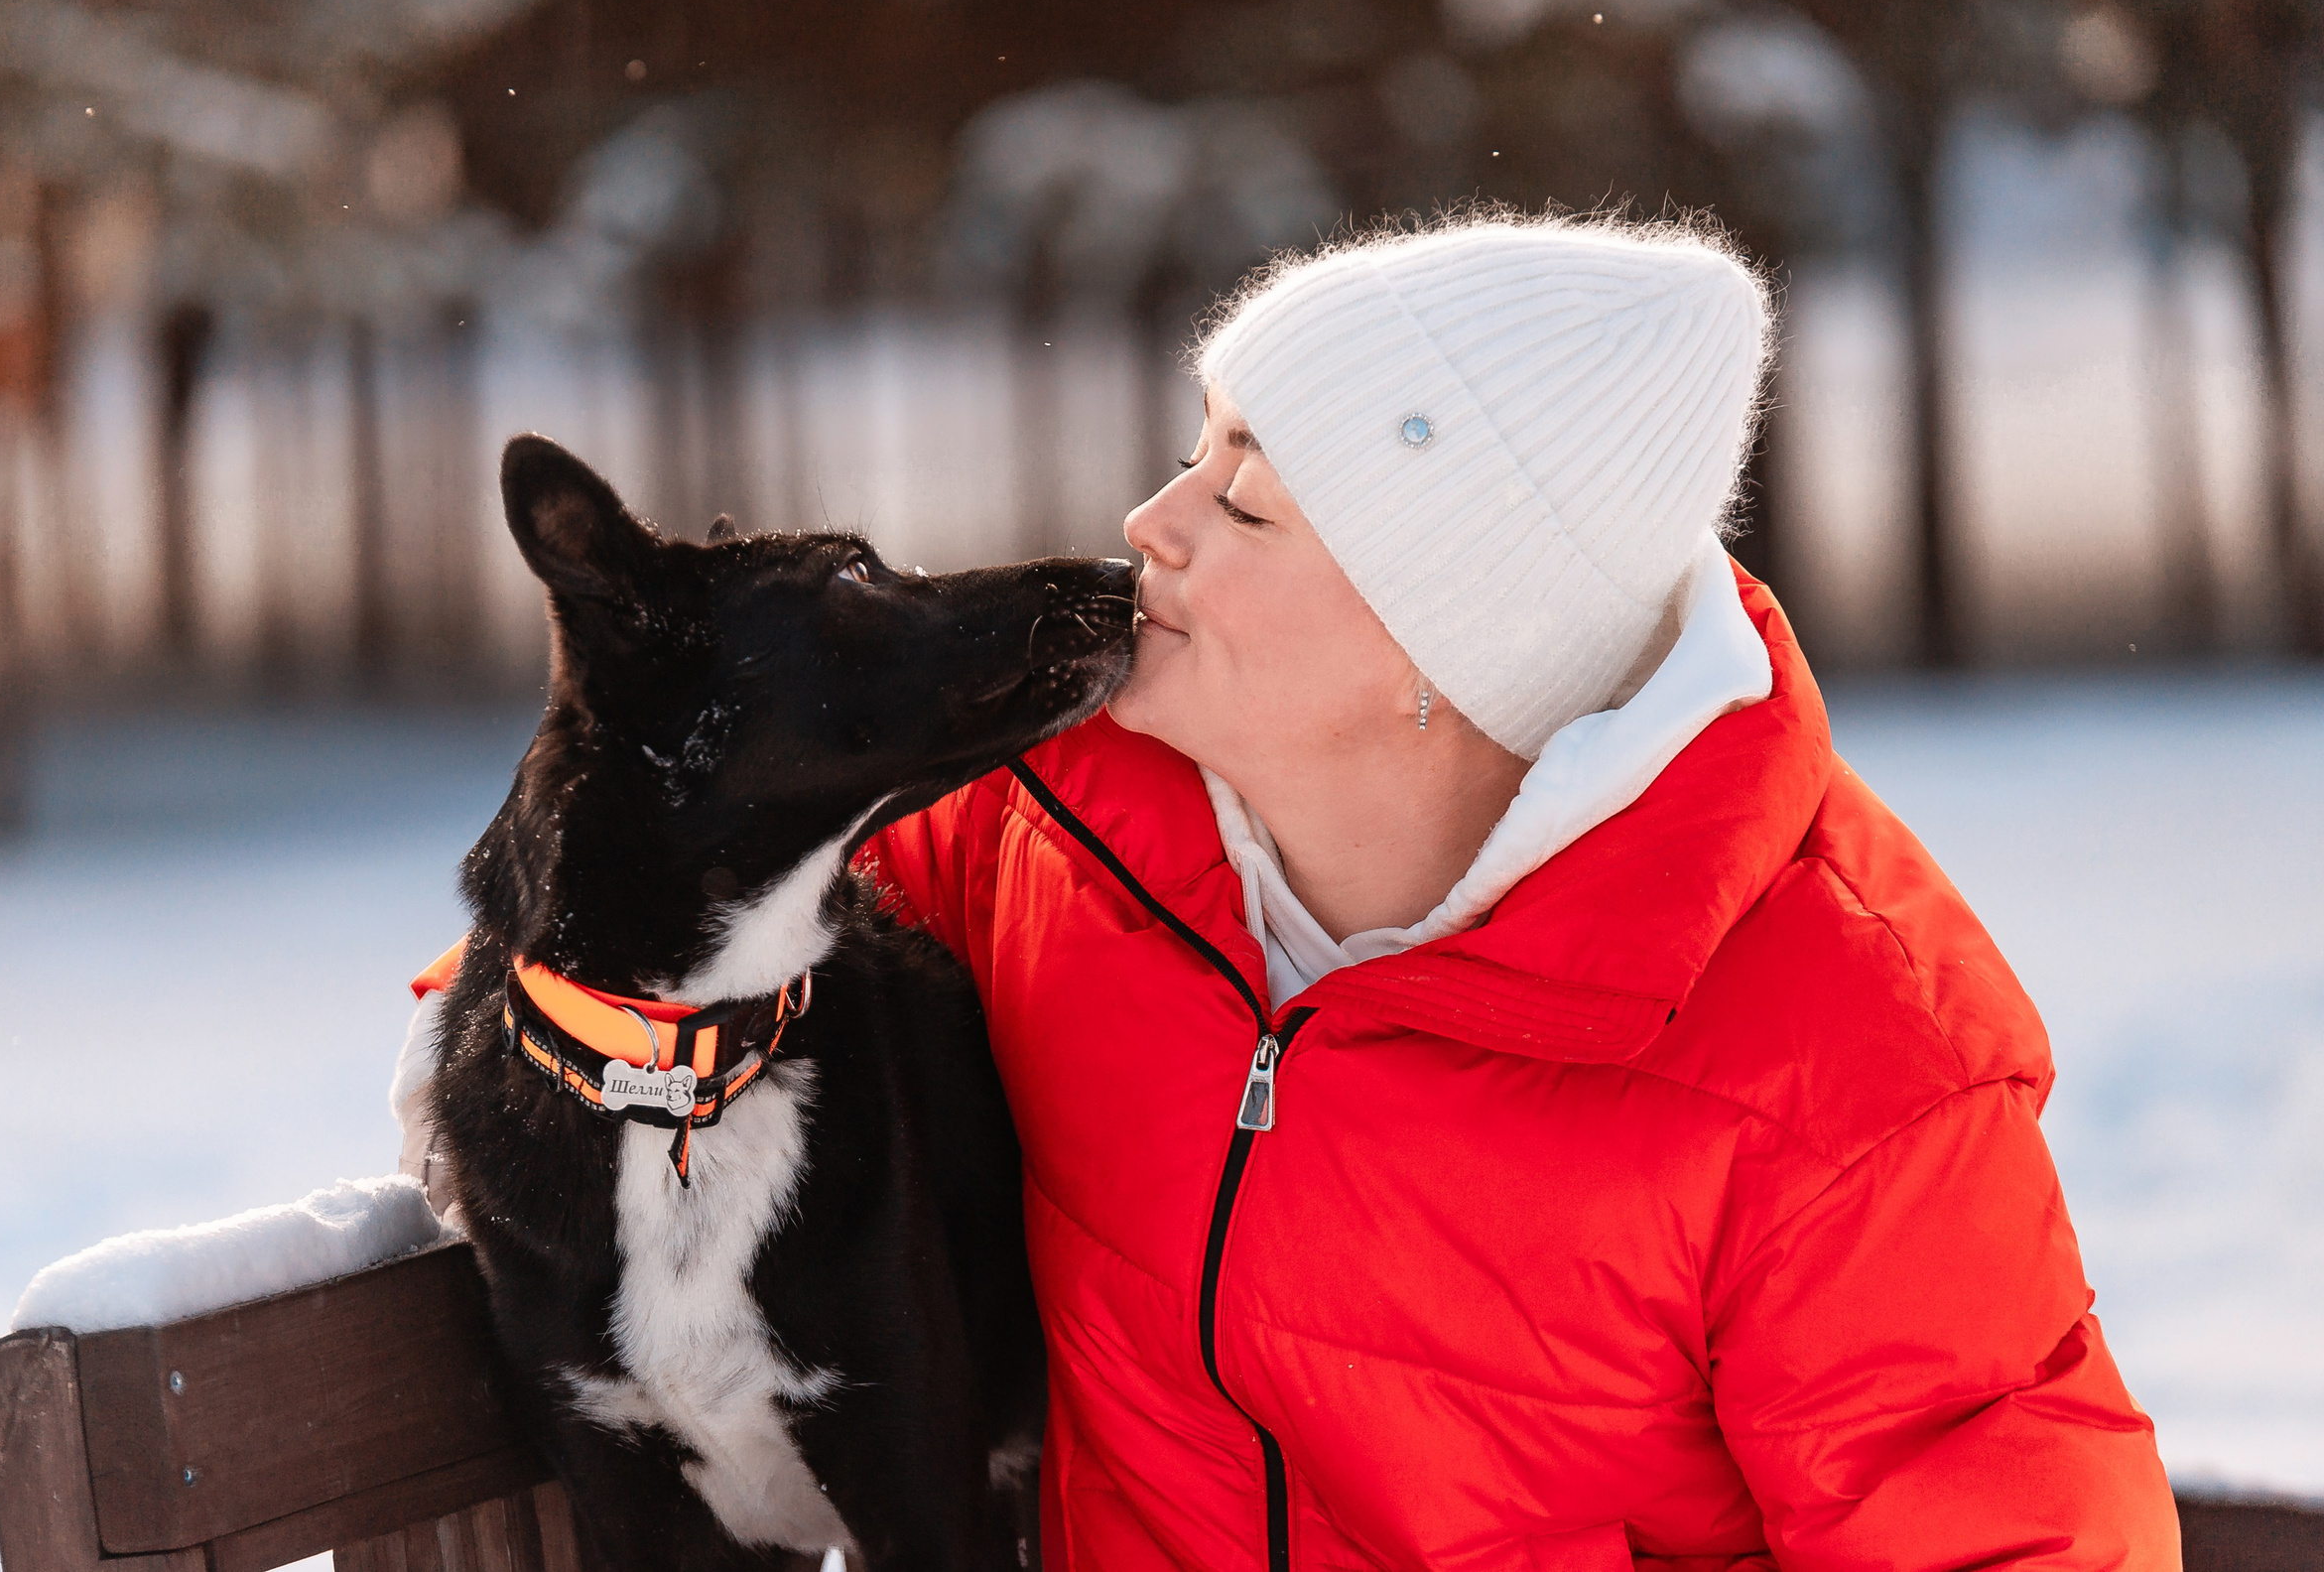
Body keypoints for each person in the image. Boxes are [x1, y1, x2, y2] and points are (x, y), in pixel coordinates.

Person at [861, 212, 2181, 1569]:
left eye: (1245, 499)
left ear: (1443, 642)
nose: (1153, 523)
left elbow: (2012, 1539)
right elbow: (693, 954)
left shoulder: (1847, 1066)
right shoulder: (1039, 826)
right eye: (1196, 448)